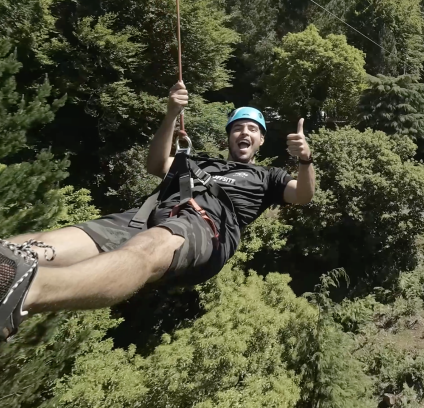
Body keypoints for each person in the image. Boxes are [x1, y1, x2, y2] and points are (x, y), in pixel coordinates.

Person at [0, 81, 315, 340]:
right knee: (40, 243)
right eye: (237, 128)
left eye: (251, 129)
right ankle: (10, 263)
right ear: (229, 135)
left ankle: (31, 289)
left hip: (206, 226)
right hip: (151, 213)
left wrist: (305, 160)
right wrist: (170, 115)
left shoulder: (266, 177)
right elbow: (156, 166)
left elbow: (302, 195)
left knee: (150, 246)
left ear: (260, 139)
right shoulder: (199, 161)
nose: (243, 133)